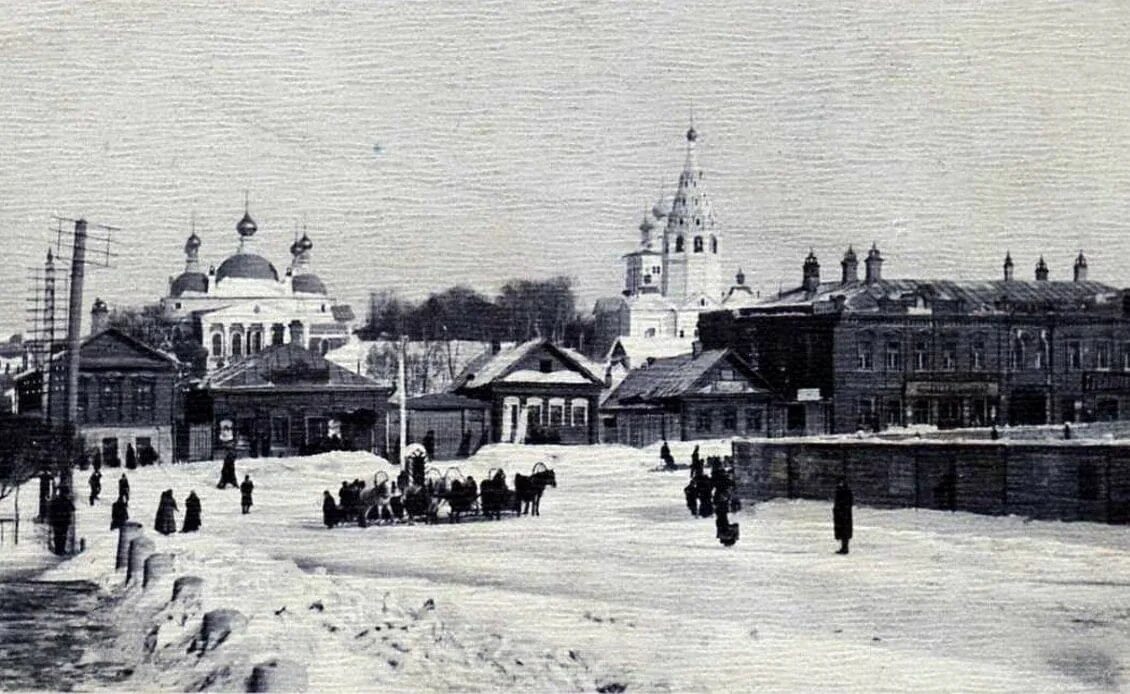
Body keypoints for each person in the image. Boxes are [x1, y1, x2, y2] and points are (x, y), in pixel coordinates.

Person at [833, 478, 853, 555]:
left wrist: (843, 508)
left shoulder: (845, 490)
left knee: (845, 531)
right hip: (840, 513)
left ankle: (845, 547)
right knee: (841, 530)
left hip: (844, 514)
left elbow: (848, 501)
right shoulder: (839, 490)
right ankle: (843, 547)